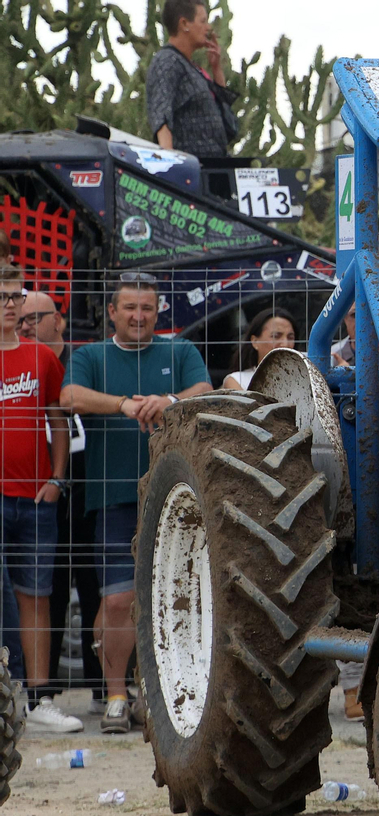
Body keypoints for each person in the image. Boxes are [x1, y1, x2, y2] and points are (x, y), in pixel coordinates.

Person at [60, 272, 211, 733]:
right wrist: (125, 405)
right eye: (130, 307)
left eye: (147, 307)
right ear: (112, 312)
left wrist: (169, 401)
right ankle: (116, 696)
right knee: (118, 600)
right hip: (114, 496)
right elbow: (69, 396)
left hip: (176, 497)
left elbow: (205, 392)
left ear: (159, 310)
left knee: (167, 597)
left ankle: (153, 692)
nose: (139, 316)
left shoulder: (180, 350)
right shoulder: (90, 355)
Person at [18, 291, 102, 715]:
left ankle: (104, 689)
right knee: (43, 590)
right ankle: (42, 694)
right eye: (22, 319)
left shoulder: (82, 361)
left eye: (36, 317)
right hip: (38, 488)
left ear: (60, 321)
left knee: (96, 586)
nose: (27, 325)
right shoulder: (19, 361)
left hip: (88, 486)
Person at [0, 268, 76, 732]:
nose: (11, 305)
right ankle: (6, 697)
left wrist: (57, 479)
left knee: (36, 595)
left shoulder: (42, 357)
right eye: (2, 296)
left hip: (35, 495)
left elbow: (58, 419)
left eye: (16, 296)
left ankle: (39, 698)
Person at [145, 0, 236, 157]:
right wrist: (169, 163)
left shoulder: (193, 69)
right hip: (191, 166)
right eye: (203, 21)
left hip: (215, 165)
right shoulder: (167, 61)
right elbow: (161, 114)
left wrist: (216, 69)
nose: (208, 28)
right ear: (184, 24)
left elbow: (227, 122)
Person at [222, 308, 297, 390]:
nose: (285, 344)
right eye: (276, 336)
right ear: (255, 341)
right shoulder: (238, 380)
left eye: (290, 337)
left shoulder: (302, 379)